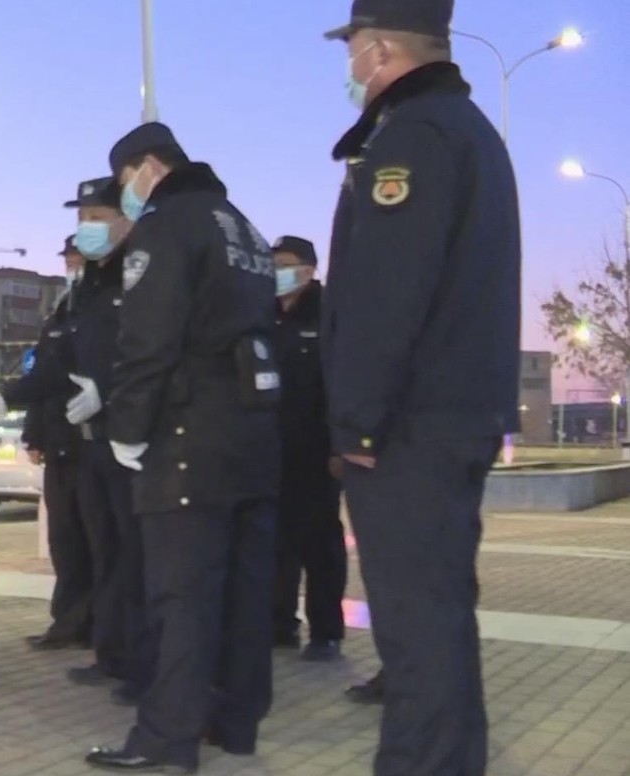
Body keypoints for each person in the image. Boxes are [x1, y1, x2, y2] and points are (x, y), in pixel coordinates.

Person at [322, 0, 519, 772]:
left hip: (409, 430)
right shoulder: (467, 129)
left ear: (376, 50)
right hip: (452, 418)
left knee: (415, 630)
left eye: (352, 54)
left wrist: (358, 425)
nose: (350, 70)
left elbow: (385, 294)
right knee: (440, 621)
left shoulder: (412, 136)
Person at [85, 123, 281, 774]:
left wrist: (127, 431)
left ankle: (166, 738)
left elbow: (149, 337)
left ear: (145, 168)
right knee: (244, 592)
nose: (126, 196)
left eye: (123, 183)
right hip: (252, 431)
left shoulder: (168, 224)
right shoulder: (241, 224)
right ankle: (236, 721)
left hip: (188, 434)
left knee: (182, 596)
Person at [58, 178, 151, 709]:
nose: (85, 228)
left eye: (95, 216)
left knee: (138, 557)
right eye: (81, 217)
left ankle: (142, 664)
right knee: (108, 554)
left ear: (125, 218)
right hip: (94, 441)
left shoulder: (141, 270)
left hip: (132, 439)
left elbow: (150, 353)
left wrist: (110, 394)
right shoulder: (92, 281)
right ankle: (112, 653)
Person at [1, 234, 94, 651]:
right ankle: (67, 623)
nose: (72, 265)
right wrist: (33, 434)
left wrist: (6, 396)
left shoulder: (101, 307)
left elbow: (55, 377)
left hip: (92, 444)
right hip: (59, 444)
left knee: (97, 544)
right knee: (65, 541)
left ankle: (99, 627)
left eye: (78, 258)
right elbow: (41, 378)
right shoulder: (59, 312)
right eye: (68, 259)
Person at [270, 236, 346, 662]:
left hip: (316, 453)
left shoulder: (330, 312)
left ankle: (326, 631)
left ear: (309, 268)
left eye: (286, 263)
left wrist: (340, 445)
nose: (278, 271)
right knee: (273, 545)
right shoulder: (263, 315)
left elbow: (341, 385)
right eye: (273, 263)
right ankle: (279, 625)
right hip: (270, 450)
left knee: (320, 547)